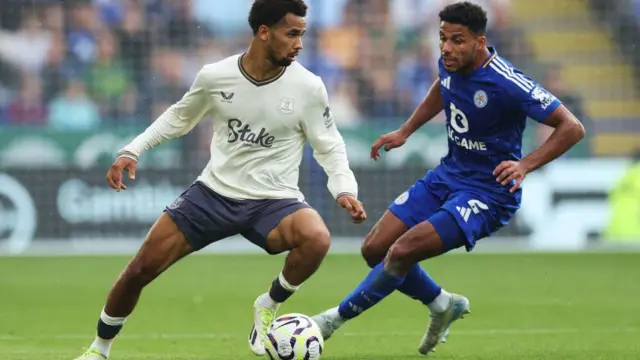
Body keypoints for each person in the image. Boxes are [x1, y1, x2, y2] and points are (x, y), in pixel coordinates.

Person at [74, 1, 367, 359]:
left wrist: (344, 189)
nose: (299, 43)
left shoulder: (309, 87)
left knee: (317, 238)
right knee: (139, 270)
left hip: (273, 200)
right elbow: (179, 117)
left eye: (302, 34)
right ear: (263, 32)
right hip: (213, 194)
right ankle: (99, 349)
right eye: (292, 33)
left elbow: (330, 146)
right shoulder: (216, 77)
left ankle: (268, 303)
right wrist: (132, 150)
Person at [312, 1, 586, 356]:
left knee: (402, 252)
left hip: (488, 193)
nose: (446, 48)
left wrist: (525, 165)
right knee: (373, 250)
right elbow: (443, 87)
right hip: (447, 176)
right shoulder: (449, 64)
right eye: (442, 38)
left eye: (457, 40)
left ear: (480, 41)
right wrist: (406, 130)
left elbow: (572, 127)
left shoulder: (507, 82)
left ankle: (331, 320)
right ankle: (442, 304)